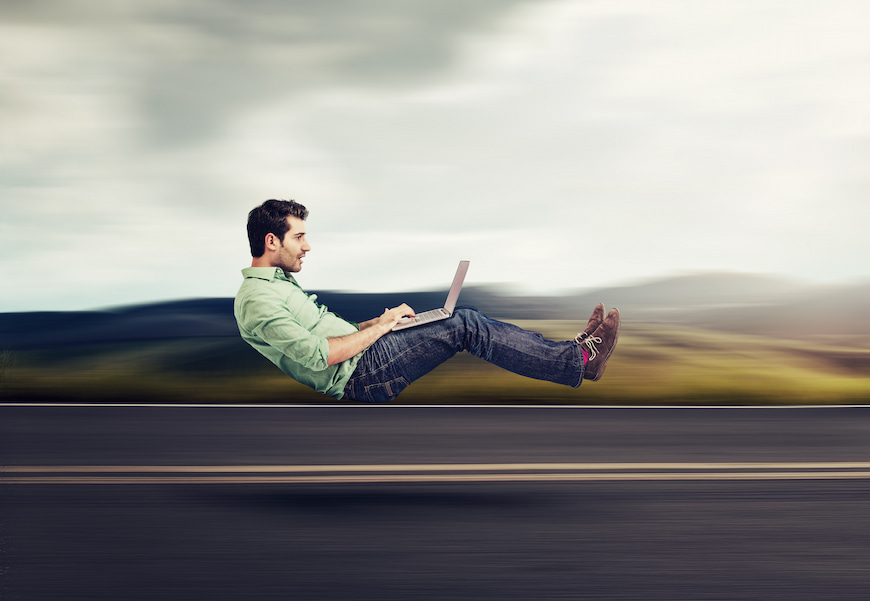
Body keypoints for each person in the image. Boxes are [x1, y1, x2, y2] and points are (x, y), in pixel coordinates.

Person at [234, 199, 620, 403]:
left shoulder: (278, 284)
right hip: (363, 376)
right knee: (466, 325)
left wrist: (377, 323)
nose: (307, 245)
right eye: (298, 237)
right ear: (272, 241)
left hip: (367, 355)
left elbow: (336, 336)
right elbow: (319, 356)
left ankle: (575, 355)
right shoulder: (258, 300)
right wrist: (383, 330)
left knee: (463, 319)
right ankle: (579, 360)